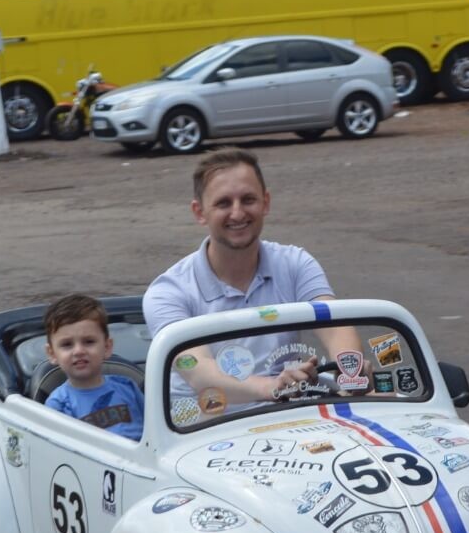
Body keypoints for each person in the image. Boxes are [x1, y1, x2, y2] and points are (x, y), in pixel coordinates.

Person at [144, 147, 364, 406]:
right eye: (223, 203)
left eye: (248, 200)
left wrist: (353, 372)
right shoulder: (168, 292)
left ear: (265, 203)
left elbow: (336, 327)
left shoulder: (296, 263)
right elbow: (198, 372)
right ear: (199, 212)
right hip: (203, 429)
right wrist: (272, 387)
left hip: (287, 417)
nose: (237, 213)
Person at [41, 294, 144, 440]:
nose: (79, 351)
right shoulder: (58, 405)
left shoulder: (127, 386)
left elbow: (155, 427)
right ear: (52, 354)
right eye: (67, 344)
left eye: (89, 342)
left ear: (107, 347)